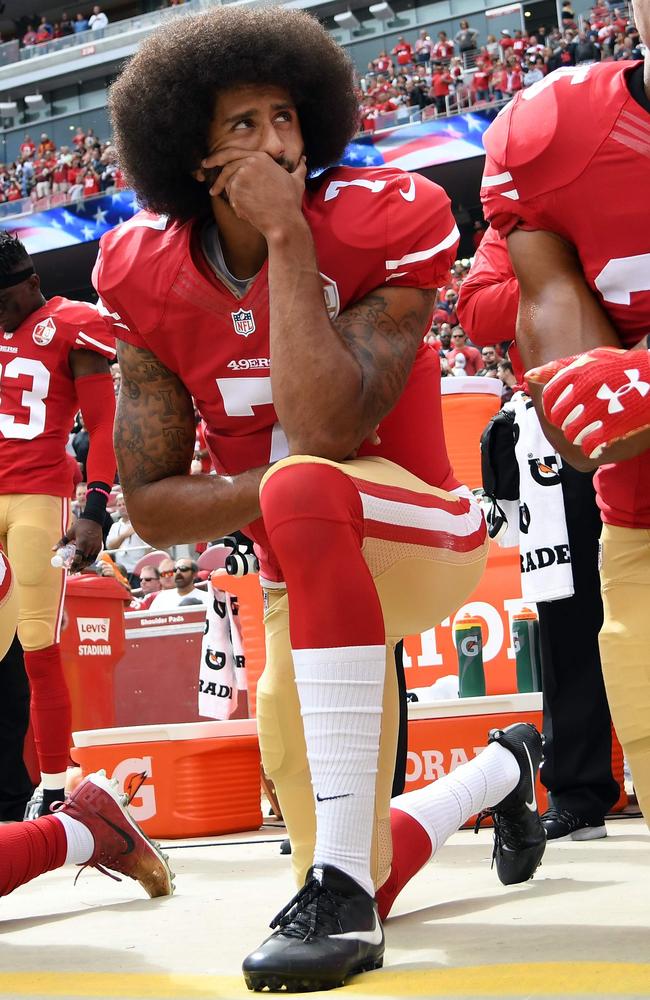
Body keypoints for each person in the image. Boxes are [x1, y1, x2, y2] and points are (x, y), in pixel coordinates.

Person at [94, 8, 545, 991]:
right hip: (303, 566)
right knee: (349, 859)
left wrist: (290, 241)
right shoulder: (145, 270)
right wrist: (269, 496)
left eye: (285, 116)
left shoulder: (383, 212)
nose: (275, 142)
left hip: (422, 529)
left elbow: (331, 431)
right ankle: (496, 776)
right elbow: (156, 505)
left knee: (305, 482)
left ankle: (337, 880)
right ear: (189, 152)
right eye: (241, 125)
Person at [480, 12, 650, 830]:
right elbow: (485, 306)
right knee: (581, 615)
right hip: (612, 474)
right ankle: (578, 784)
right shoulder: (550, 152)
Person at [457, 226, 620, 839]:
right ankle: (579, 792)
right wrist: (567, 270)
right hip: (562, 428)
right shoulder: (517, 223)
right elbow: (476, 310)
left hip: (635, 399)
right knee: (569, 618)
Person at [0, 232, 117, 817]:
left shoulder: (73, 323)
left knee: (38, 643)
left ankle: (51, 785)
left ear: (33, 283)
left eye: (4, 299)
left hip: (39, 496)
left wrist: (96, 507)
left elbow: (102, 422)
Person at [105, 494, 150, 586]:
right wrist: (124, 535)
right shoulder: (115, 526)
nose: (122, 507)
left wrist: (143, 566)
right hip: (121, 571)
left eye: (124, 504)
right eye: (119, 505)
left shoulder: (140, 524)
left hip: (138, 571)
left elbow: (149, 548)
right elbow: (110, 546)